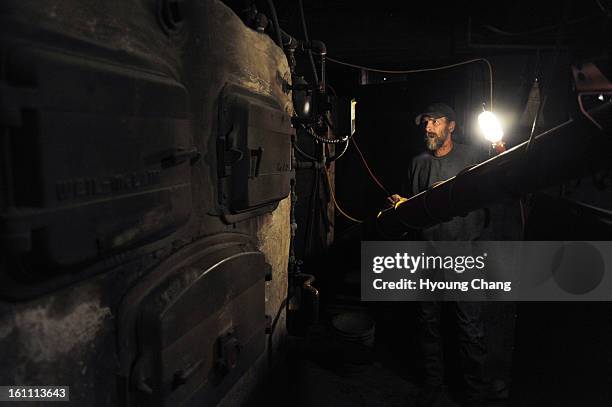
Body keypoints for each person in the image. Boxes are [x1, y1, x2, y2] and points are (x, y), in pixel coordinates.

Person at [388, 103, 487, 407]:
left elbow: (489, 196)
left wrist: (455, 193)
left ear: (451, 126)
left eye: (434, 121)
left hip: (462, 253)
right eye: (425, 122)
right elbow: (413, 205)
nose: (428, 127)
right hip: (427, 254)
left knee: (469, 326)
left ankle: (474, 391)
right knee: (427, 322)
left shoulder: (473, 157)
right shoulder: (418, 163)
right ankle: (432, 384)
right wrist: (403, 204)